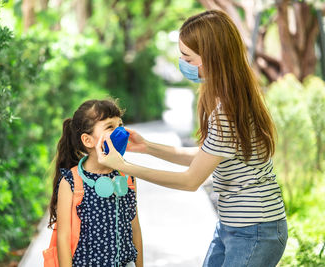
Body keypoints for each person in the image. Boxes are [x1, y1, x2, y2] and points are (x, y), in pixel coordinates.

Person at [96, 10, 287, 267]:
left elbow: (190, 181)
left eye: (187, 57)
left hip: (255, 230)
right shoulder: (225, 96)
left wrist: (124, 166)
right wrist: (147, 147)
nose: (181, 62)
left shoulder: (227, 111)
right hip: (235, 225)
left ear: (212, 58)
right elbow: (204, 157)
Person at [48, 99, 143, 267]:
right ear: (88, 140)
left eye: (120, 124)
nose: (119, 131)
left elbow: (135, 228)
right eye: (110, 127)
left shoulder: (127, 176)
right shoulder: (72, 182)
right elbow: (63, 238)